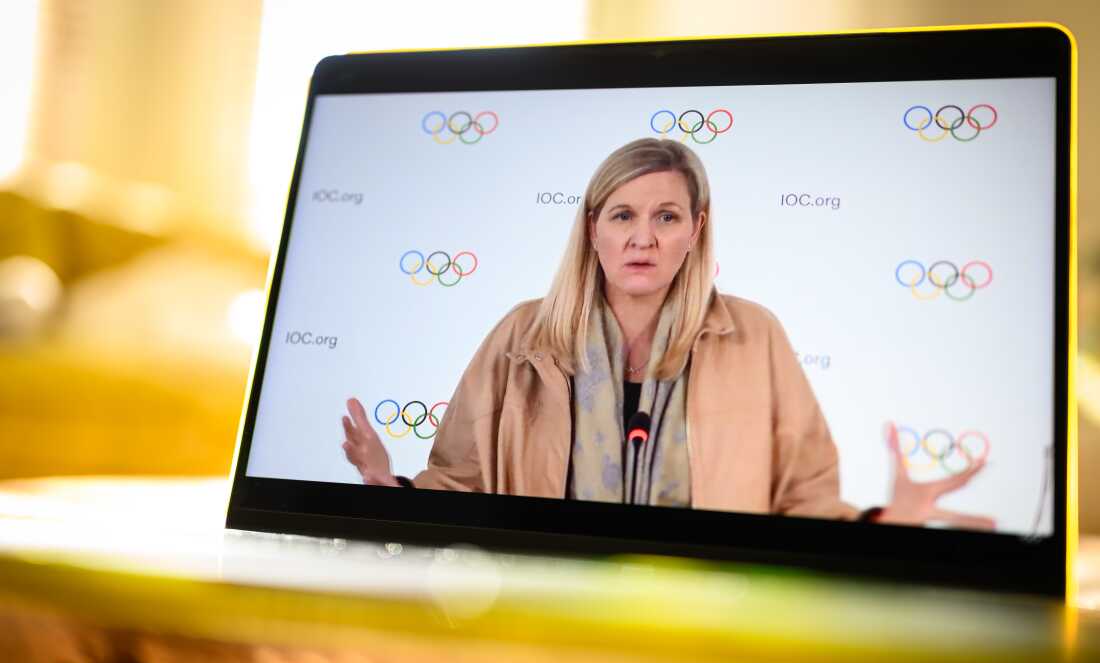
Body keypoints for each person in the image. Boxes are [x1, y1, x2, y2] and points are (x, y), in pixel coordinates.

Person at [342, 138, 993, 528]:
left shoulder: (755, 334)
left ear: (696, 229)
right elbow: (461, 484)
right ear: (593, 228)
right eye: (623, 214)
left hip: (705, 624)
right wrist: (390, 487)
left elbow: (804, 498)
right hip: (545, 615)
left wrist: (887, 521)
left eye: (667, 216)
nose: (643, 238)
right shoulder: (522, 334)